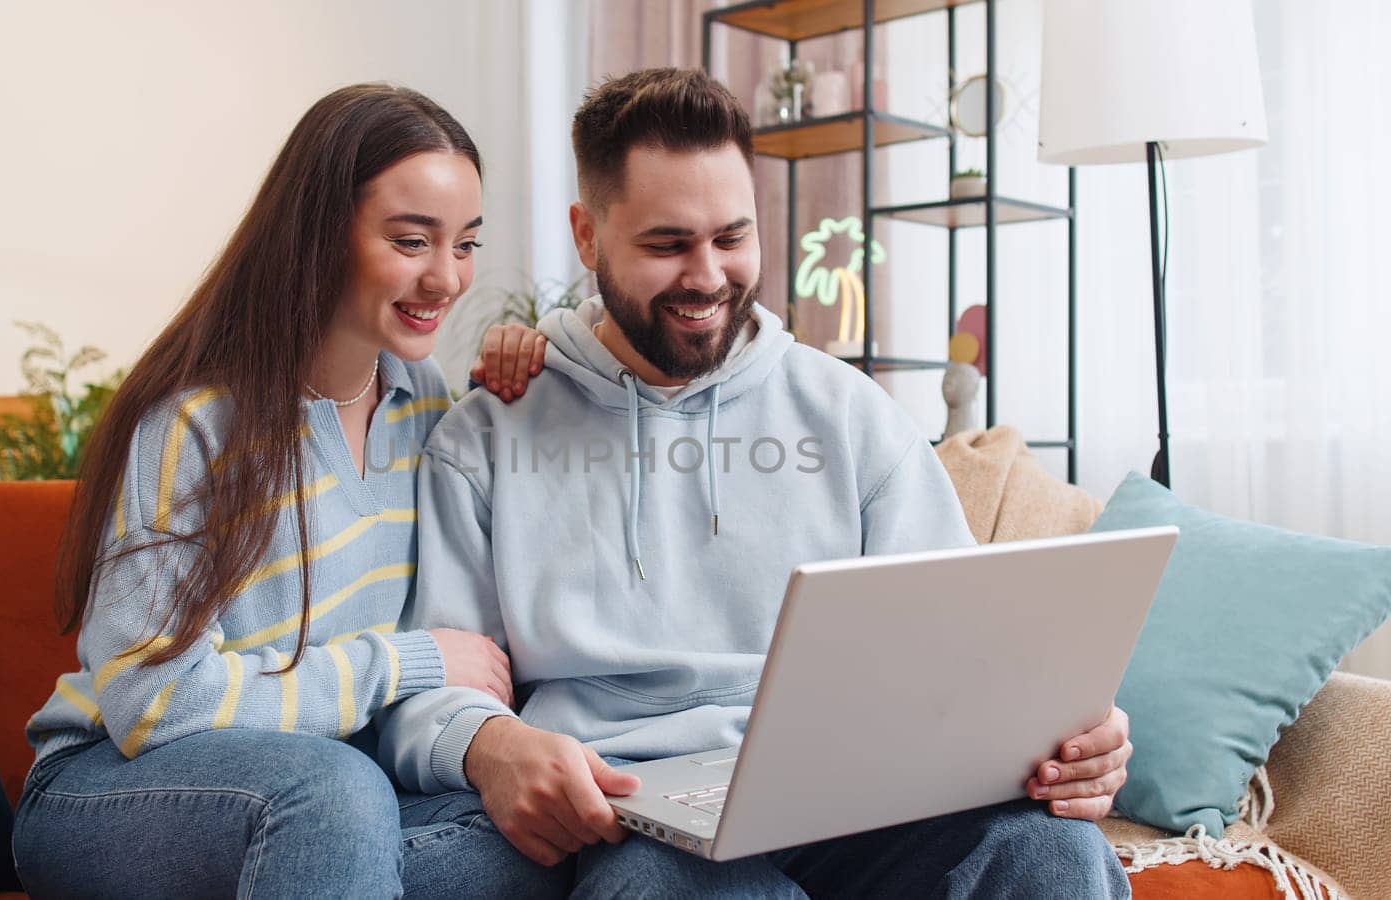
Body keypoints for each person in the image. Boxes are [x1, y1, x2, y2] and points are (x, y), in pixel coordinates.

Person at [381, 68, 1133, 898]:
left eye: (731, 237)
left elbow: (969, 651)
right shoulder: (488, 436)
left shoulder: (848, 414)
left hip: (848, 800)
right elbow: (428, 696)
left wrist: (1073, 736)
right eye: (667, 245)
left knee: (1054, 856)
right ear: (587, 238)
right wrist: (491, 746)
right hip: (631, 806)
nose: (706, 277)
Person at [13, 83, 549, 898]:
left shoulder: (427, 402)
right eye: (411, 241)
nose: (446, 278)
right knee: (335, 798)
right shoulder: (196, 425)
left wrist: (538, 359)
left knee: (530, 839)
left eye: (466, 243)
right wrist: (406, 663)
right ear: (321, 234)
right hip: (114, 786)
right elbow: (154, 704)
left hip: (331, 793)